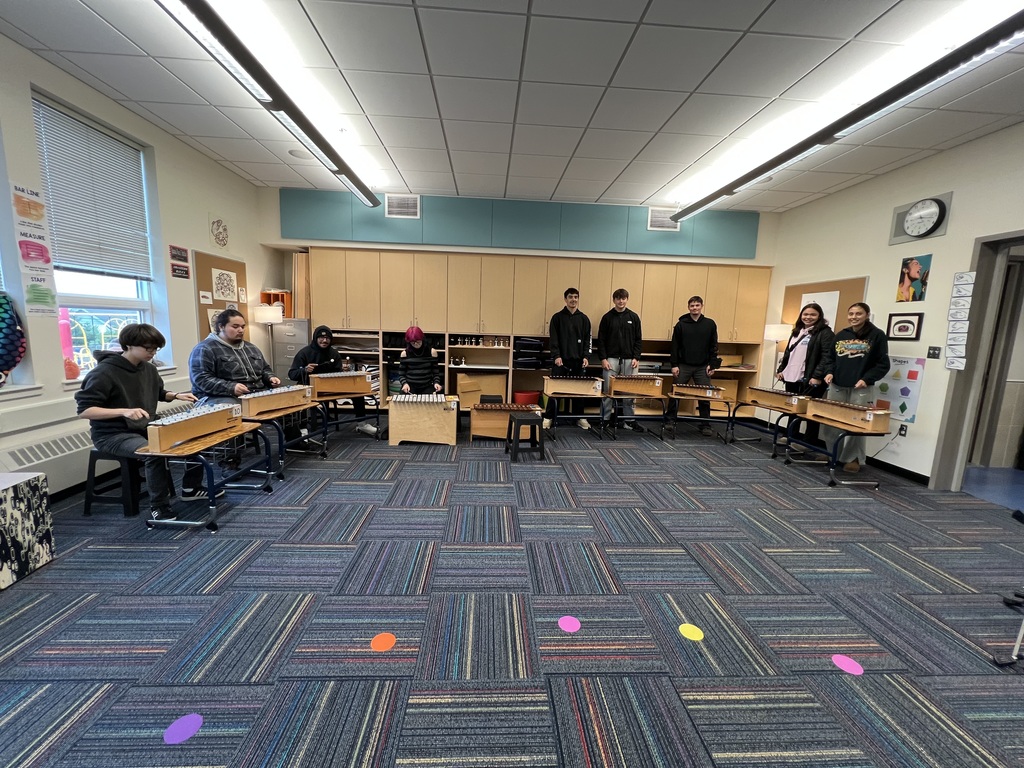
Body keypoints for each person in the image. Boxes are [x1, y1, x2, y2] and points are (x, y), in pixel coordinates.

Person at [75, 323, 200, 521]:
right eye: (148, 348)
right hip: (112, 434)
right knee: (154, 452)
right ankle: (159, 507)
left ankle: (191, 488)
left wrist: (176, 395)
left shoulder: (149, 369)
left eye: (155, 349)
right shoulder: (103, 372)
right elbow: (85, 410)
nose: (152, 353)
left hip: (145, 427)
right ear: (128, 345)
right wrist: (124, 411)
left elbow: (158, 393)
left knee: (194, 436)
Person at [185, 308, 281, 491]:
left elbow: (265, 369)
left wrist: (270, 378)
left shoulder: (251, 347)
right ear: (221, 326)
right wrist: (230, 387)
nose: (241, 330)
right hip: (217, 397)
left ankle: (294, 443)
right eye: (235, 326)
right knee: (231, 413)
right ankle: (229, 463)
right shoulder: (205, 348)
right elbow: (201, 379)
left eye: (243, 326)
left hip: (252, 393)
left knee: (288, 399)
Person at [823, 302, 891, 473]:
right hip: (837, 385)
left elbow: (883, 364)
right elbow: (830, 358)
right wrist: (829, 372)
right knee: (831, 421)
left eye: (858, 314)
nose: (854, 317)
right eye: (851, 313)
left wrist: (867, 379)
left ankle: (852, 458)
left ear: (867, 315)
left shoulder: (877, 335)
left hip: (861, 388)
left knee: (857, 424)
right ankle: (832, 453)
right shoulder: (841, 335)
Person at [775, 302, 835, 448]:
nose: (808, 317)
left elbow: (826, 356)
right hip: (792, 376)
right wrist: (781, 370)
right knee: (793, 407)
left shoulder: (825, 333)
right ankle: (791, 435)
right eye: (805, 314)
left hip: (811, 378)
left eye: (813, 314)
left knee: (810, 411)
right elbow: (788, 352)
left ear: (819, 316)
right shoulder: (797, 331)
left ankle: (808, 442)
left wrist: (817, 376)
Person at [666, 296, 721, 436]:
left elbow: (714, 346)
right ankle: (670, 421)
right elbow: (674, 346)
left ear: (702, 306)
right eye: (692, 306)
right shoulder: (681, 325)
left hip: (703, 366)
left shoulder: (710, 324)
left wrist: (712, 365)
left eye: (697, 305)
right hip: (683, 365)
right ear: (688, 307)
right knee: (675, 393)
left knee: (704, 396)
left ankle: (705, 424)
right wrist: (674, 365)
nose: (695, 308)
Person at [289, 324, 367, 422]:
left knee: (358, 392)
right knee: (301, 394)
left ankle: (362, 423)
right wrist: (304, 370)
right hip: (310, 387)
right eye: (321, 338)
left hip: (331, 387)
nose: (324, 340)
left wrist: (344, 372)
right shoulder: (304, 353)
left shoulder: (334, 353)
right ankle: (303, 427)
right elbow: (292, 374)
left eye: (327, 338)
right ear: (315, 338)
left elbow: (338, 373)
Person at [543, 287, 592, 430]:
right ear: (565, 299)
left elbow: (587, 340)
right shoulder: (557, 318)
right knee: (555, 391)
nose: (573, 300)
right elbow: (553, 339)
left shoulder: (584, 319)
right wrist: (556, 356)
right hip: (561, 361)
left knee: (579, 392)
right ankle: (548, 418)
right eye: (570, 297)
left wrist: (586, 356)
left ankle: (580, 417)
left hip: (578, 361)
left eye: (576, 297)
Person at [599, 288, 644, 431]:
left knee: (629, 391)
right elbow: (601, 340)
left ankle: (629, 420)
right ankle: (605, 419)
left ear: (627, 299)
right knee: (607, 390)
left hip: (630, 360)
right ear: (614, 300)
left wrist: (636, 357)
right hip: (611, 359)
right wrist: (603, 358)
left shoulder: (633, 317)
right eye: (618, 298)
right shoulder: (607, 317)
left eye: (623, 298)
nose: (621, 301)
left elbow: (638, 339)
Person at [399, 326, 442, 395]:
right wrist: (404, 384)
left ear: (422, 338)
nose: (416, 344)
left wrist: (436, 383)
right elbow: (401, 374)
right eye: (413, 342)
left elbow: (435, 373)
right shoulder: (405, 354)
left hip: (427, 386)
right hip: (410, 386)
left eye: (418, 341)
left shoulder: (432, 352)